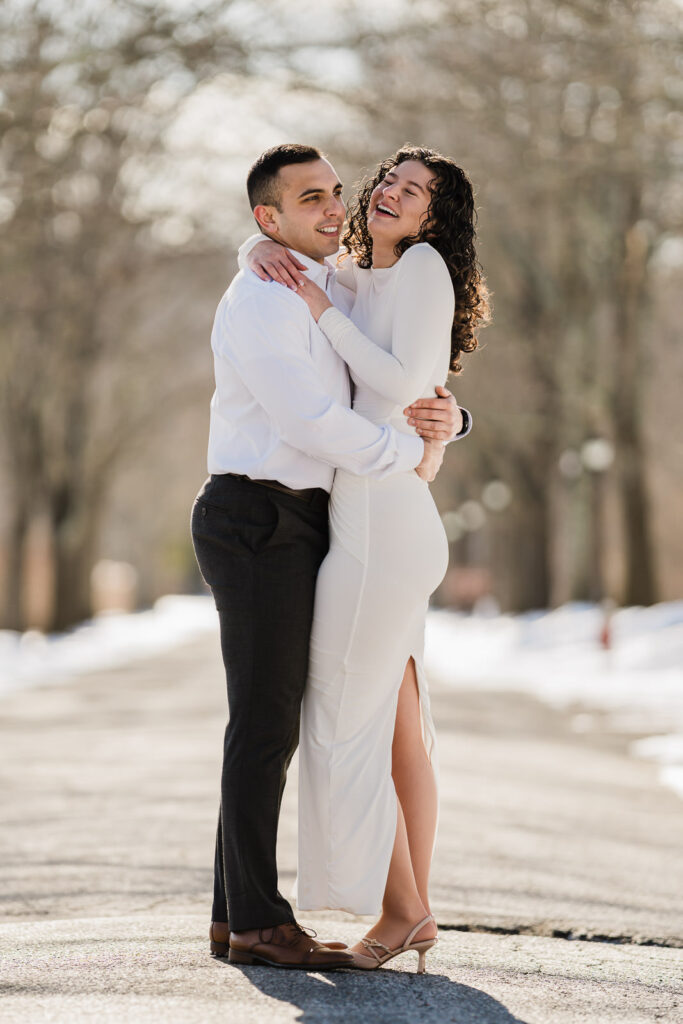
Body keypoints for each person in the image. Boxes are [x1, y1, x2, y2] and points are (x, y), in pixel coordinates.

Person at [190, 144, 465, 971]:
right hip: (259, 517)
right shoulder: (271, 298)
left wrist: (445, 426)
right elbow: (316, 419)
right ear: (268, 217)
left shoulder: (332, 281)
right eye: (310, 198)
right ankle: (257, 920)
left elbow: (400, 376)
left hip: (338, 517)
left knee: (340, 718)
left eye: (334, 192)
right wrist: (401, 454)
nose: (336, 206)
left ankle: (257, 912)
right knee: (275, 720)